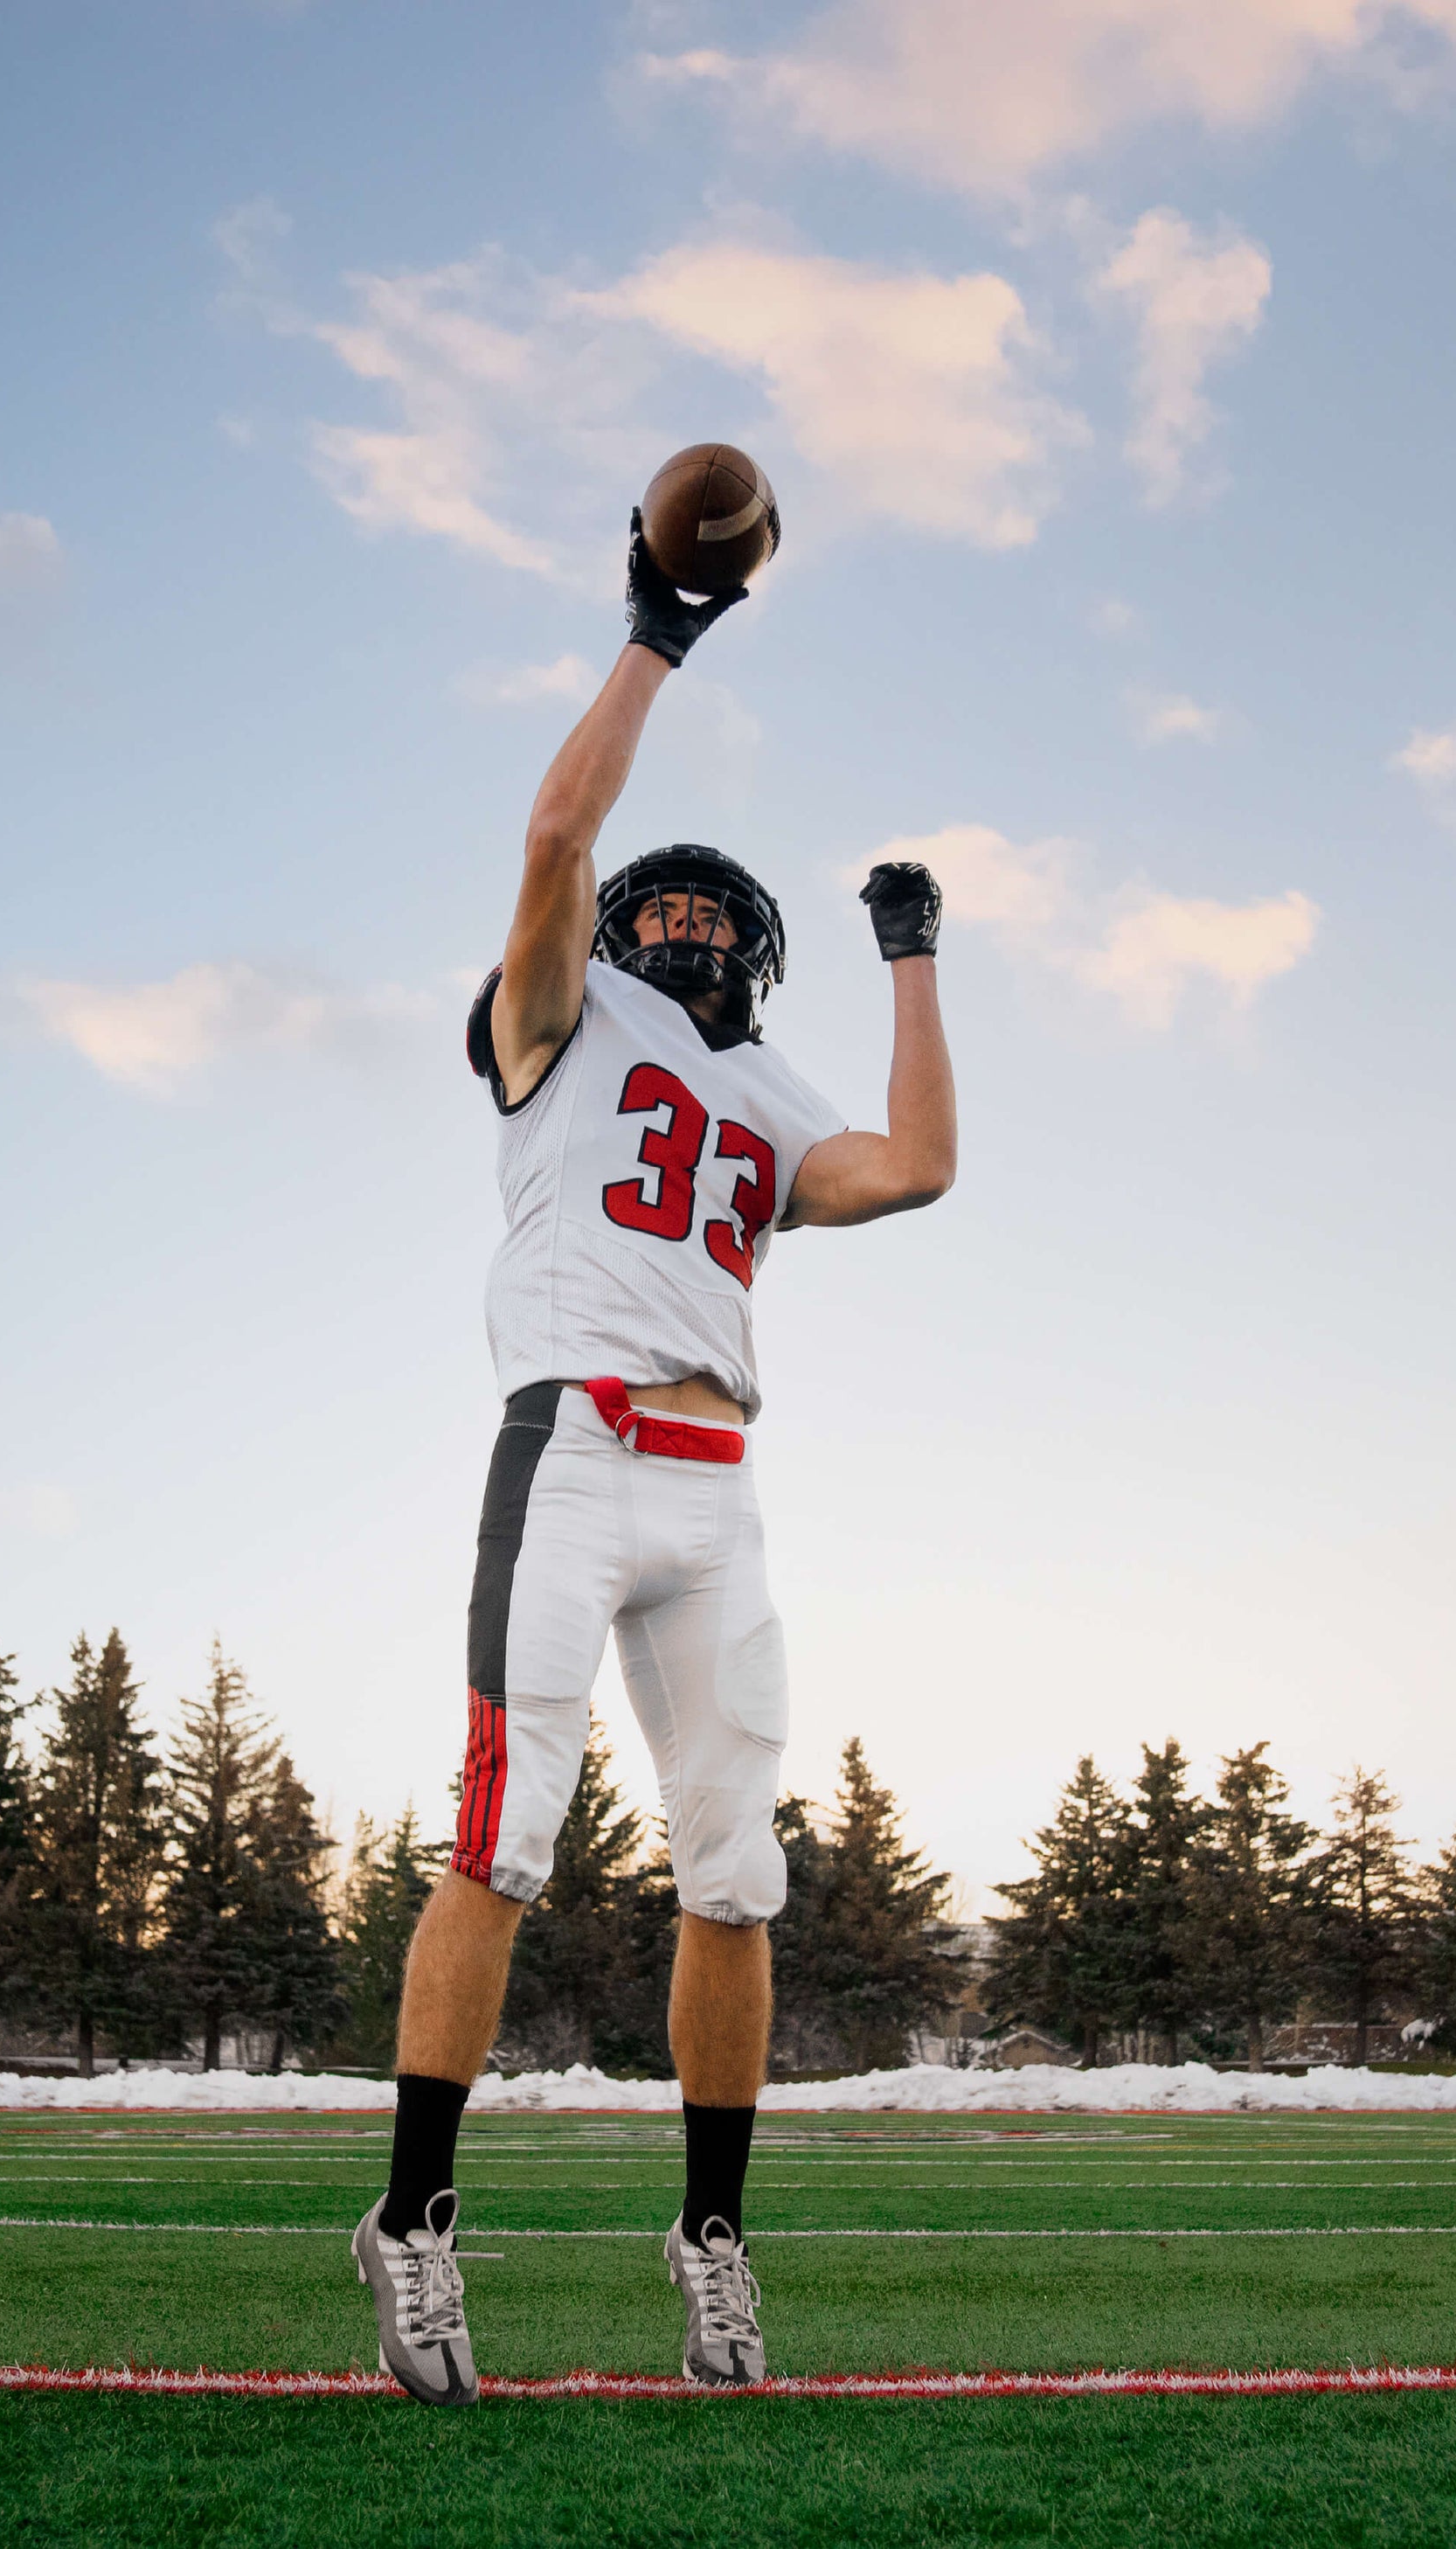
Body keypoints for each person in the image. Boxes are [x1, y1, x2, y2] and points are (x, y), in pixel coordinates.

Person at [353, 517, 957, 2402]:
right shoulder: (560, 1010)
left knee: (737, 1878)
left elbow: (917, 1167)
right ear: (621, 932)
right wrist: (655, 637)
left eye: (714, 912)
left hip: (718, 1489)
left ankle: (711, 2234)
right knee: (506, 1839)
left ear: (754, 957)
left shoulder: (770, 1094)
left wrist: (917, 963)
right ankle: (416, 2218)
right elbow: (551, 841)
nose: (683, 921)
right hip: (576, 1445)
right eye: (661, 903)